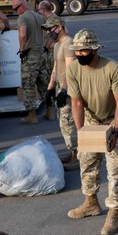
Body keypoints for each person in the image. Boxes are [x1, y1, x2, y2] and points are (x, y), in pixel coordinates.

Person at [65, 29, 118, 235]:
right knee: (87, 163)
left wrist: (116, 131)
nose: (79, 55)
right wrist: (81, 130)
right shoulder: (73, 70)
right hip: (91, 121)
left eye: (83, 51)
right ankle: (91, 203)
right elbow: (75, 102)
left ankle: (114, 212)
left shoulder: (113, 68)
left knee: (115, 169)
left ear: (94, 49)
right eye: (77, 51)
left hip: (112, 121)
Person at [43, 15, 78, 170]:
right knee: (63, 123)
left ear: (59, 27)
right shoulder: (58, 45)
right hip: (59, 88)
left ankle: (77, 156)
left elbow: (70, 71)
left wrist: (64, 90)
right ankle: (71, 152)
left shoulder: (69, 44)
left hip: (68, 90)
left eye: (51, 28)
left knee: (69, 123)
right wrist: (50, 88)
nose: (49, 32)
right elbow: (56, 68)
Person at [13, 0, 46, 124]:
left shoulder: (22, 17)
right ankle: (49, 111)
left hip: (30, 54)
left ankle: (32, 115)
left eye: (15, 9)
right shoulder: (39, 17)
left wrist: (21, 49)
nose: (15, 12)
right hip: (41, 53)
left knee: (28, 85)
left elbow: (22, 34)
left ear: (22, 6)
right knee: (43, 83)